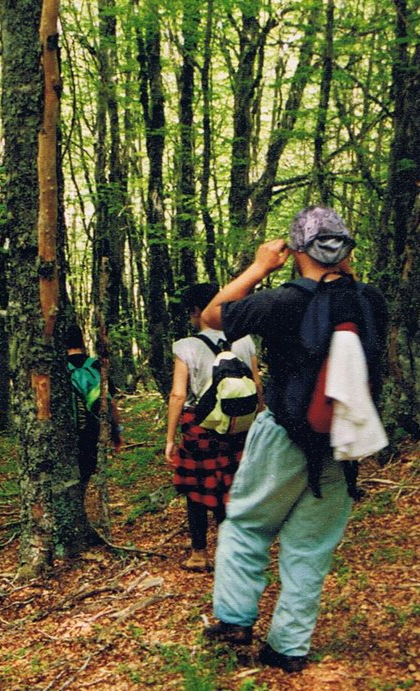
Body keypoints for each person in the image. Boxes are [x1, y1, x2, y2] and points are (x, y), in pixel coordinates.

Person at [200, 206, 388, 672]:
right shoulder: (372, 301)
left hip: (283, 432)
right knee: (310, 548)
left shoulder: (281, 301)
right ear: (345, 249)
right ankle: (288, 648)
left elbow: (211, 315)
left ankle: (234, 620)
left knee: (246, 525)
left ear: (298, 249)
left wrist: (261, 266)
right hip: (344, 440)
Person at [165, 283, 262, 572]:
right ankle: (231, 549)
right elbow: (256, 385)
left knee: (197, 490)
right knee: (233, 486)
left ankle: (199, 553)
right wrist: (260, 418)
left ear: (196, 311)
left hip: (201, 425)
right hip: (239, 424)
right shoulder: (244, 340)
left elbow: (179, 395)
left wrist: (170, 438)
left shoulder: (187, 346)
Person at [65, 324, 122, 485]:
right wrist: (116, 433)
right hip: (93, 435)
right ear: (82, 341)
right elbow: (109, 402)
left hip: (66, 437)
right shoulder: (96, 366)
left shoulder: (59, 370)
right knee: (84, 477)